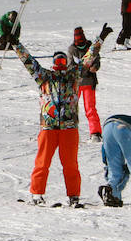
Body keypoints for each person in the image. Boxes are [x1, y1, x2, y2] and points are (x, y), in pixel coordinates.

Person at [12, 24, 112, 207]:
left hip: (68, 128)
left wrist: (100, 39)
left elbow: (89, 57)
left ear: (66, 62)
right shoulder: (44, 76)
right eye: (57, 60)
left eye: (62, 60)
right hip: (49, 128)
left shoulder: (73, 76)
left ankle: (73, 196)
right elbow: (27, 60)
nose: (60, 63)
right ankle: (37, 194)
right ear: (53, 63)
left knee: (71, 165)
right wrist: (15, 44)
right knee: (42, 163)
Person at [69, 27, 103, 140]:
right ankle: (69, 130)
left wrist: (95, 67)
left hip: (89, 82)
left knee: (90, 108)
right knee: (72, 108)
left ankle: (95, 132)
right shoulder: (71, 50)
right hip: (76, 83)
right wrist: (85, 69)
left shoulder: (90, 47)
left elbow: (97, 59)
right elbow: (70, 66)